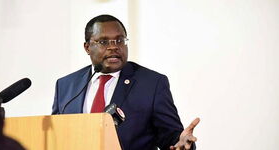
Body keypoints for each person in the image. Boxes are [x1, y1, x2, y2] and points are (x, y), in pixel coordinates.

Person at [52, 14, 200, 150]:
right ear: (87, 47)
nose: (114, 46)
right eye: (103, 42)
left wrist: (182, 143)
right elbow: (55, 136)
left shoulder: (151, 84)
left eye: (120, 40)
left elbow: (171, 137)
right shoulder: (66, 85)